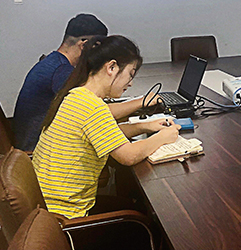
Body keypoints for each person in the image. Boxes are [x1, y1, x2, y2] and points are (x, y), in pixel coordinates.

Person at [32, 35, 180, 218]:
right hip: (68, 218)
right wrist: (163, 137)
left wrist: (145, 126)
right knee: (144, 217)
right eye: (130, 74)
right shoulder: (93, 107)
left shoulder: (76, 95)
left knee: (133, 206)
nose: (131, 83)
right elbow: (129, 156)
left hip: (46, 207)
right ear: (111, 67)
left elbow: (105, 135)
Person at [13, 14, 157, 151]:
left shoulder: (55, 62)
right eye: (97, 48)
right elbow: (98, 112)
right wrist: (142, 102)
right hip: (37, 147)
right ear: (84, 45)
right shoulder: (62, 71)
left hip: (37, 141)